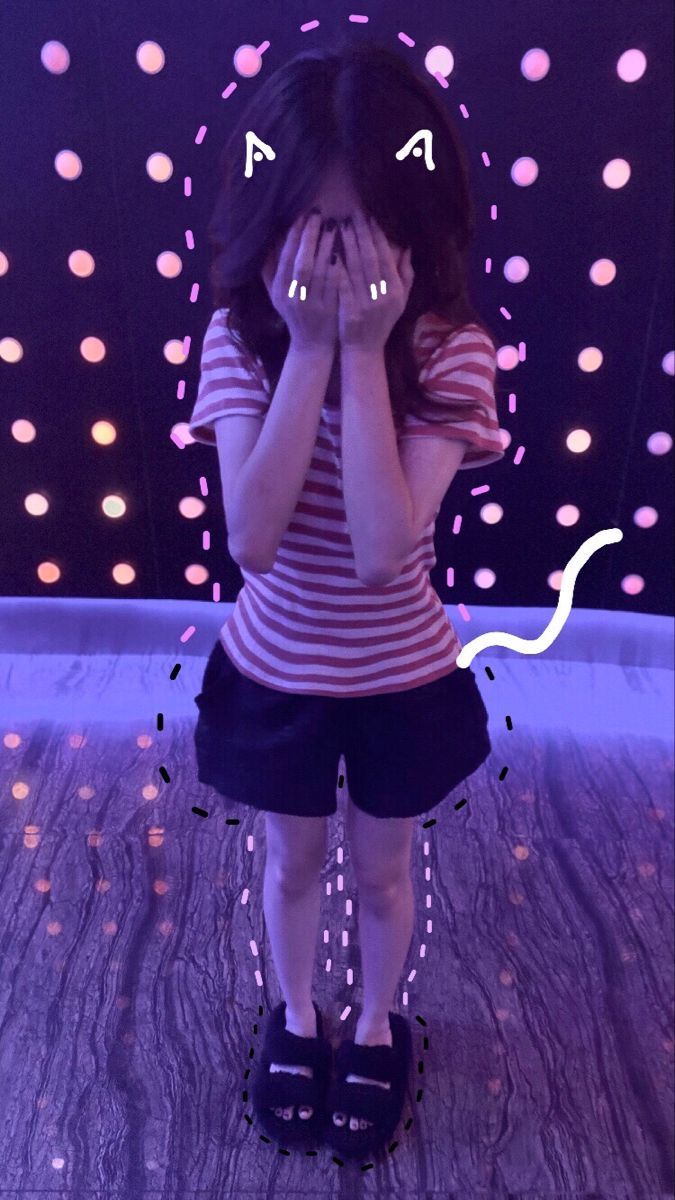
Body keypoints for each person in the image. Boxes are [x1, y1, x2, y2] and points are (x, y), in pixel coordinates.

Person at [189, 39, 504, 1160]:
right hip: (276, 671)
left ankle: (374, 1022)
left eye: (365, 224)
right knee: (289, 863)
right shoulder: (236, 341)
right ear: (270, 216)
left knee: (381, 870)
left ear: (414, 222)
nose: (339, 253)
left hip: (398, 677)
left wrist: (362, 349)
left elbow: (380, 549)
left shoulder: (454, 353)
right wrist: (311, 350)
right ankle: (294, 1013)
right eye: (316, 225)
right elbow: (254, 538)